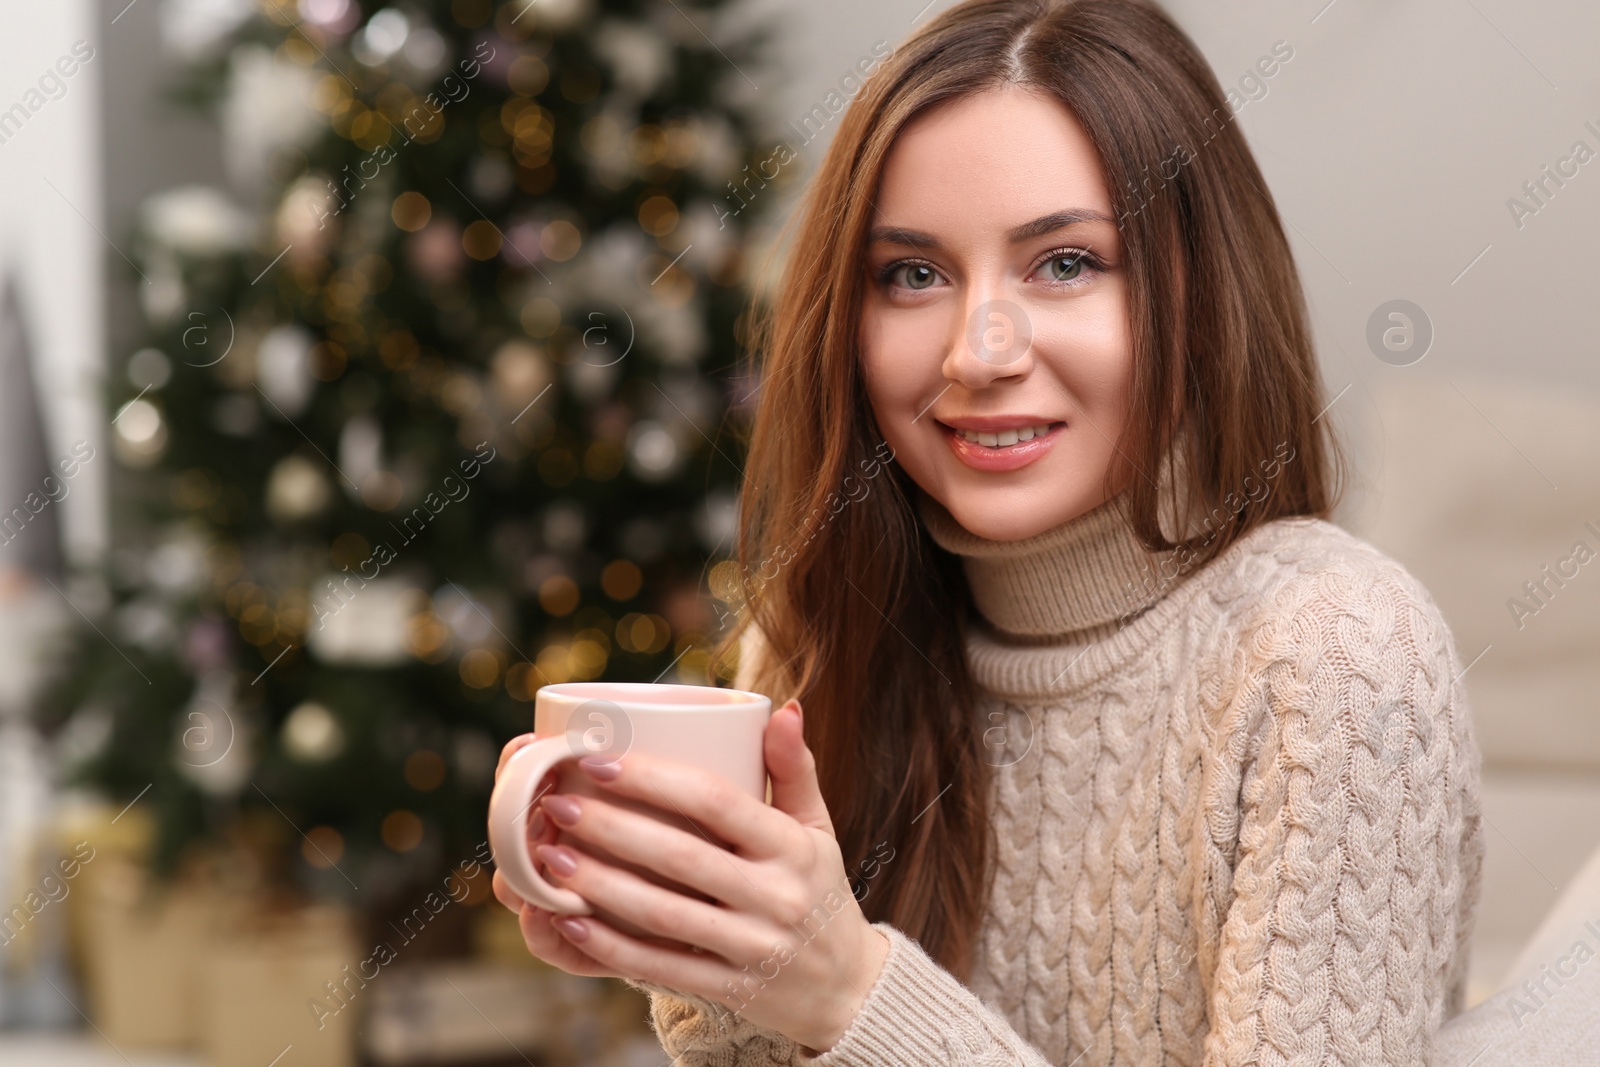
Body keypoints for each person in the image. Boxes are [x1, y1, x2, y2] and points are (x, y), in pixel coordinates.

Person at [491, 0, 1489, 1062]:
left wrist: (848, 993)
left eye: (1064, 262)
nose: (977, 350)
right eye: (912, 275)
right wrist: (711, 958)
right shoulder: (818, 634)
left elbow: (850, 1003)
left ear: (1203, 296)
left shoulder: (1336, 660)